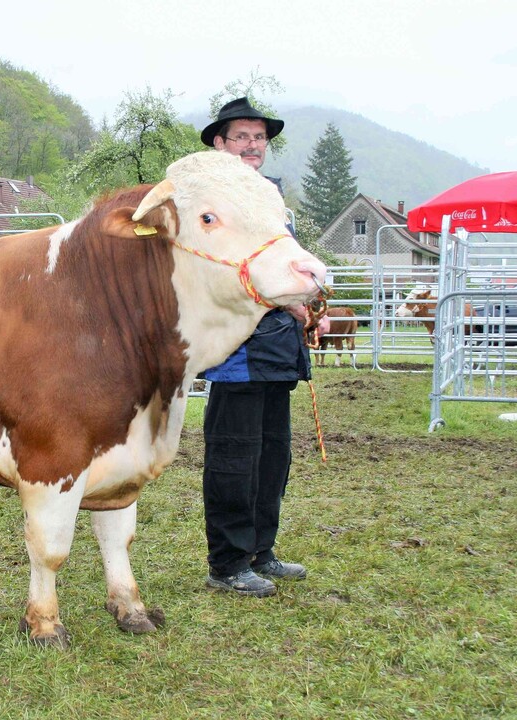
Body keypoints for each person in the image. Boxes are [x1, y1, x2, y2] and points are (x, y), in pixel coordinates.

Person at [198, 97, 321, 598]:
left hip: (278, 348)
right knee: (234, 457)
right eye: (242, 137)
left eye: (259, 138)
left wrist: (307, 297)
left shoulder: (270, 199)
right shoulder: (210, 205)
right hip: (237, 350)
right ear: (220, 144)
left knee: (272, 456)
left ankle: (260, 551)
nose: (252, 145)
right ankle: (227, 563)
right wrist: (285, 298)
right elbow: (218, 272)